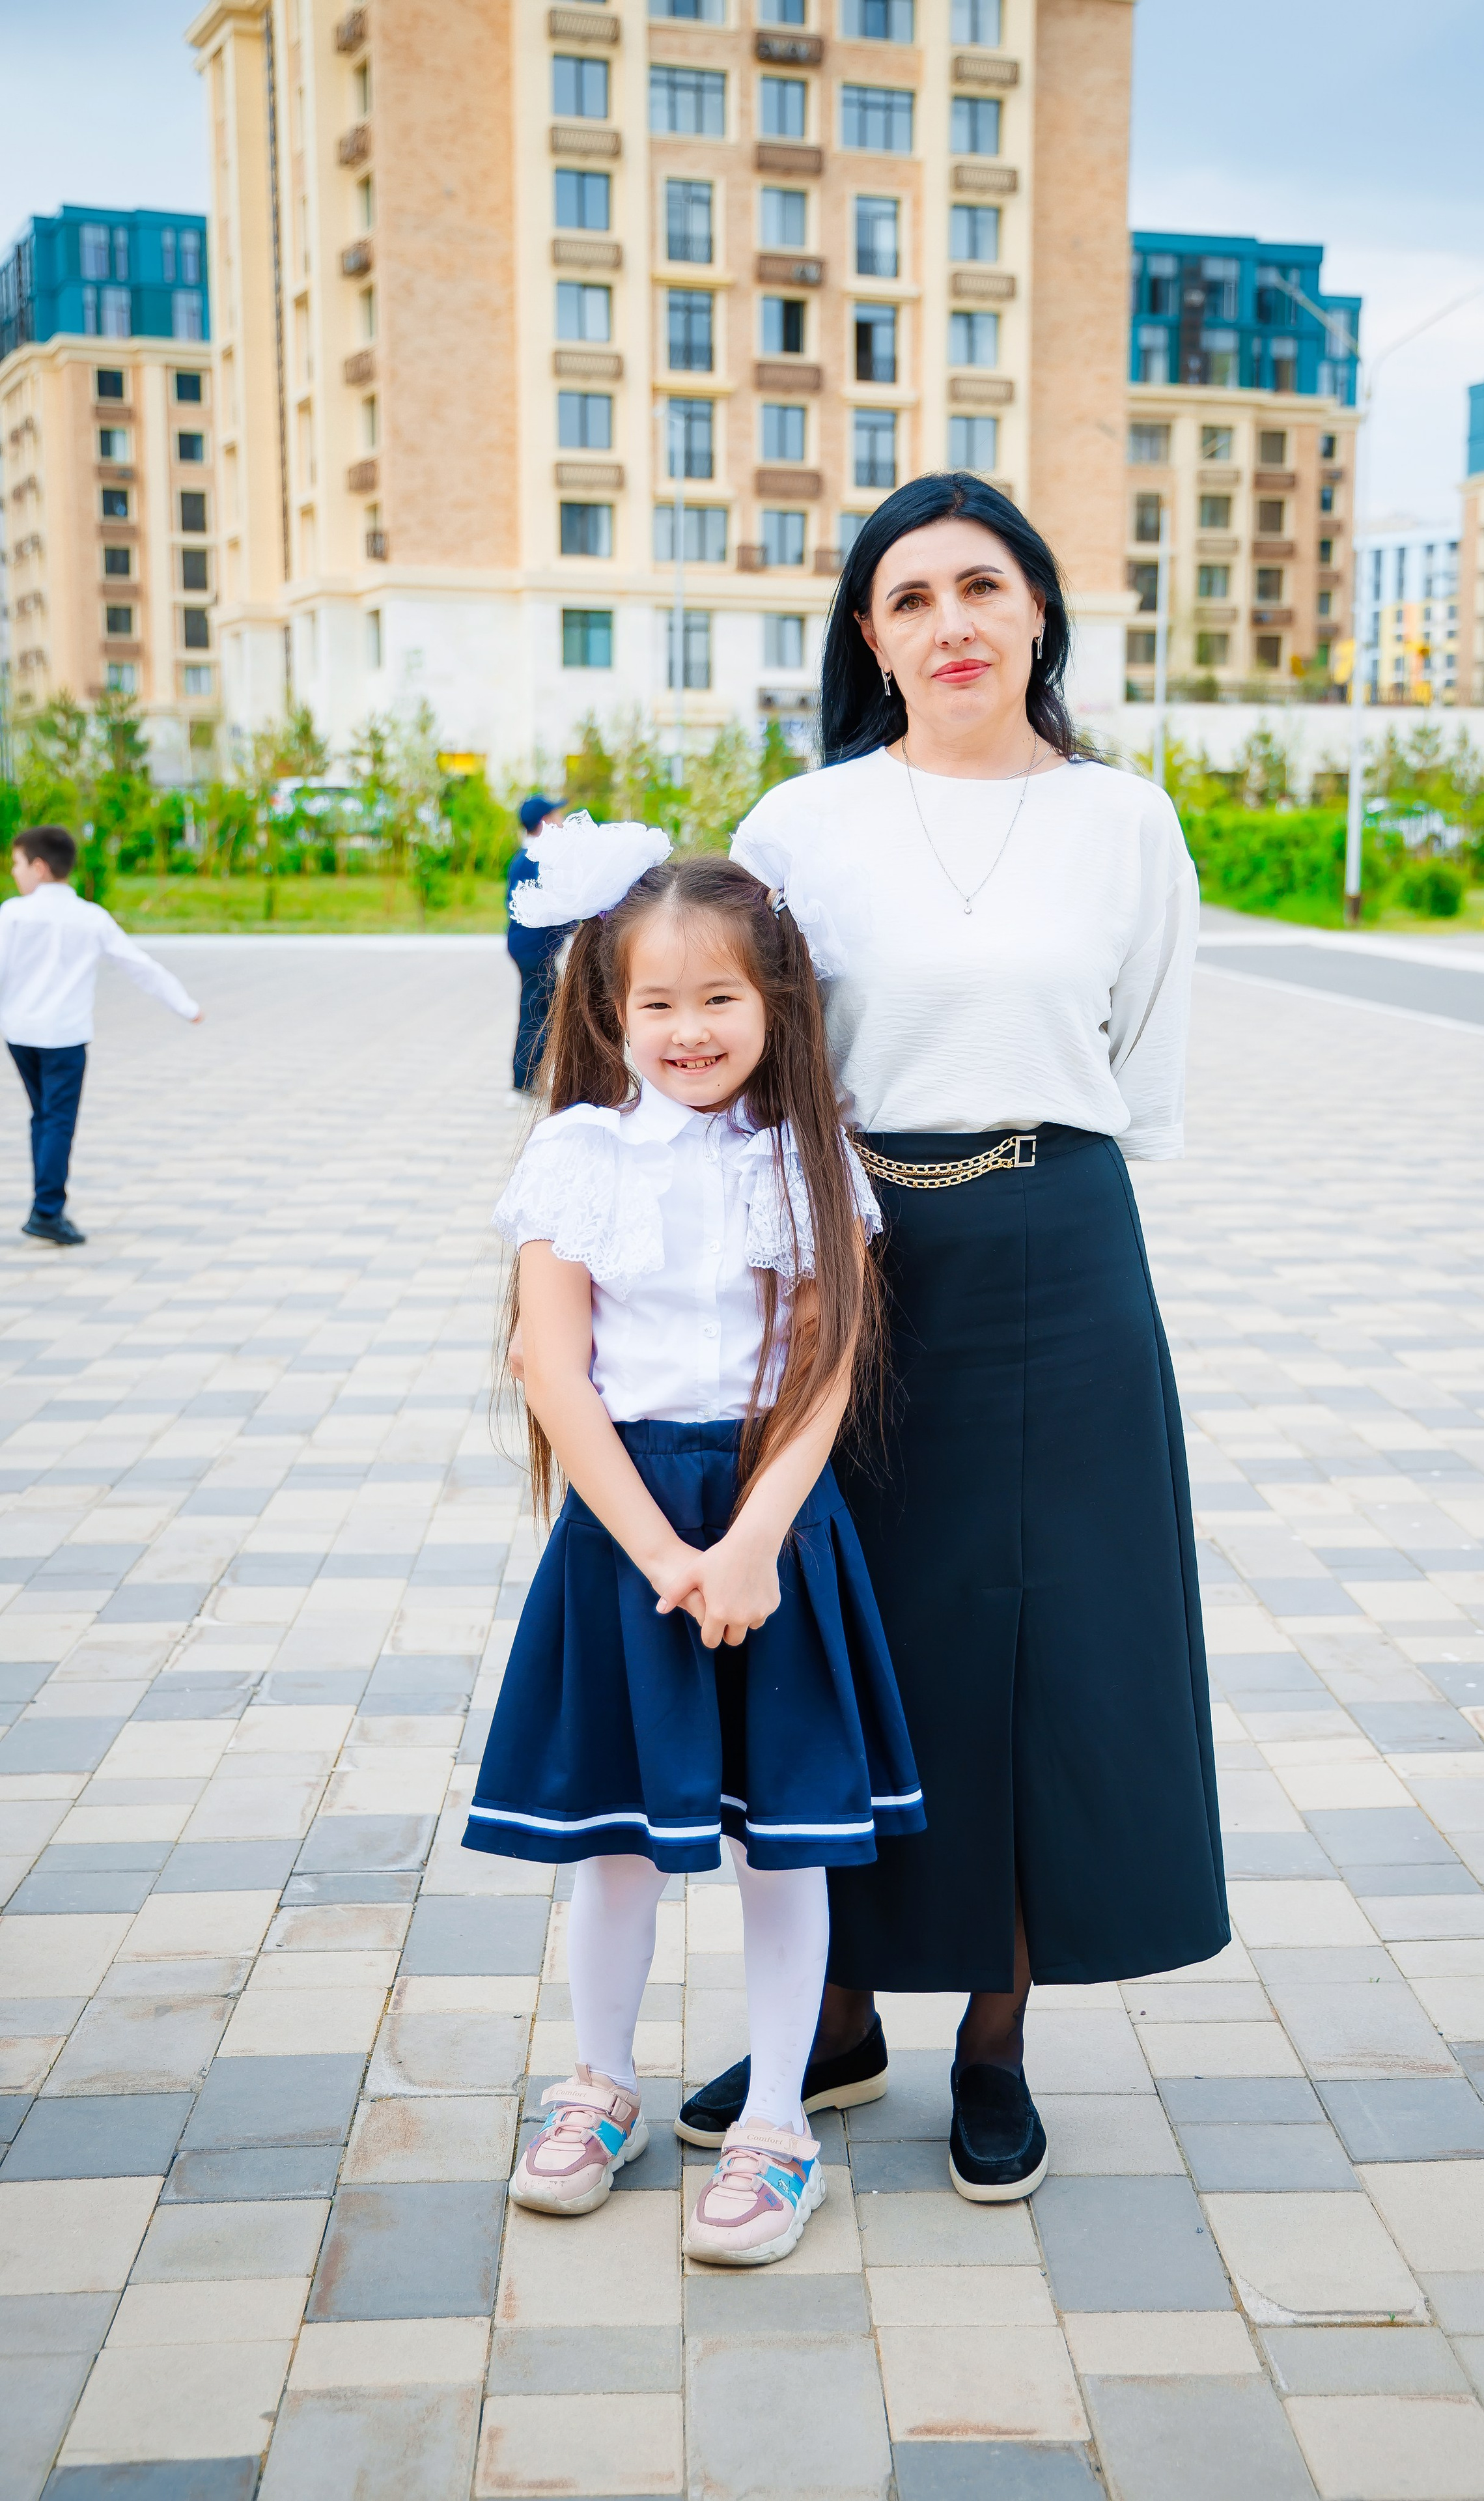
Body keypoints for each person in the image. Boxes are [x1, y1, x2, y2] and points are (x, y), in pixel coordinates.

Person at [673, 472, 1230, 2203]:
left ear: (1041, 612)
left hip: (1063, 1255)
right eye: (912, 599)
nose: (954, 624)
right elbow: (744, 1058)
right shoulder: (803, 821)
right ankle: (832, 2018)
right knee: (848, 1635)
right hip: (851, 1254)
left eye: (984, 587)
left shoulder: (1126, 822)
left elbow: (1143, 1072)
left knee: (1043, 1652)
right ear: (871, 638)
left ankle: (994, 2036)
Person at [465, 822, 923, 2267]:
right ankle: (599, 2084)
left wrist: (749, 1543)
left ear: (774, 1004)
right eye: (653, 1002)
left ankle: (778, 2124)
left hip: (774, 1526)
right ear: (606, 1008)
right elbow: (555, 1373)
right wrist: (662, 1553)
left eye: (717, 998)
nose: (685, 1029)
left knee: (781, 1850)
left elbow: (825, 1365)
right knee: (611, 1850)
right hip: (624, 1534)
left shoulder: (809, 1164)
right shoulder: (576, 1155)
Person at [1, 825, 203, 1247]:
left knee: (43, 1116)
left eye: (17, 864)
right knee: (56, 1119)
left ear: (39, 867)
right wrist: (185, 1006)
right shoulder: (91, 918)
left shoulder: (12, 914)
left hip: (20, 1034)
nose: (14, 872)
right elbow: (139, 966)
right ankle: (47, 1211)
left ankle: (47, 1205)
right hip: (65, 1037)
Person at [506, 794, 574, 1094]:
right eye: (557, 816)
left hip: (530, 947)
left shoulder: (529, 856)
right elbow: (554, 906)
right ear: (544, 822)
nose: (562, 822)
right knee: (538, 1013)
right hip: (535, 950)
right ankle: (523, 1082)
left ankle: (528, 1079)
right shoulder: (536, 859)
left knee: (540, 1010)